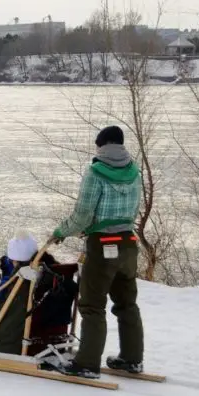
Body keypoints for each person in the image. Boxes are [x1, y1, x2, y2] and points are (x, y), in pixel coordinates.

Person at [48, 125, 144, 379]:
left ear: (101, 145)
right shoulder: (136, 173)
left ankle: (87, 363)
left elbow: (82, 215)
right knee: (127, 304)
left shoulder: (95, 174)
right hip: (128, 243)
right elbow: (134, 210)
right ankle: (132, 359)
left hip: (102, 246)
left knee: (91, 305)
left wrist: (61, 232)